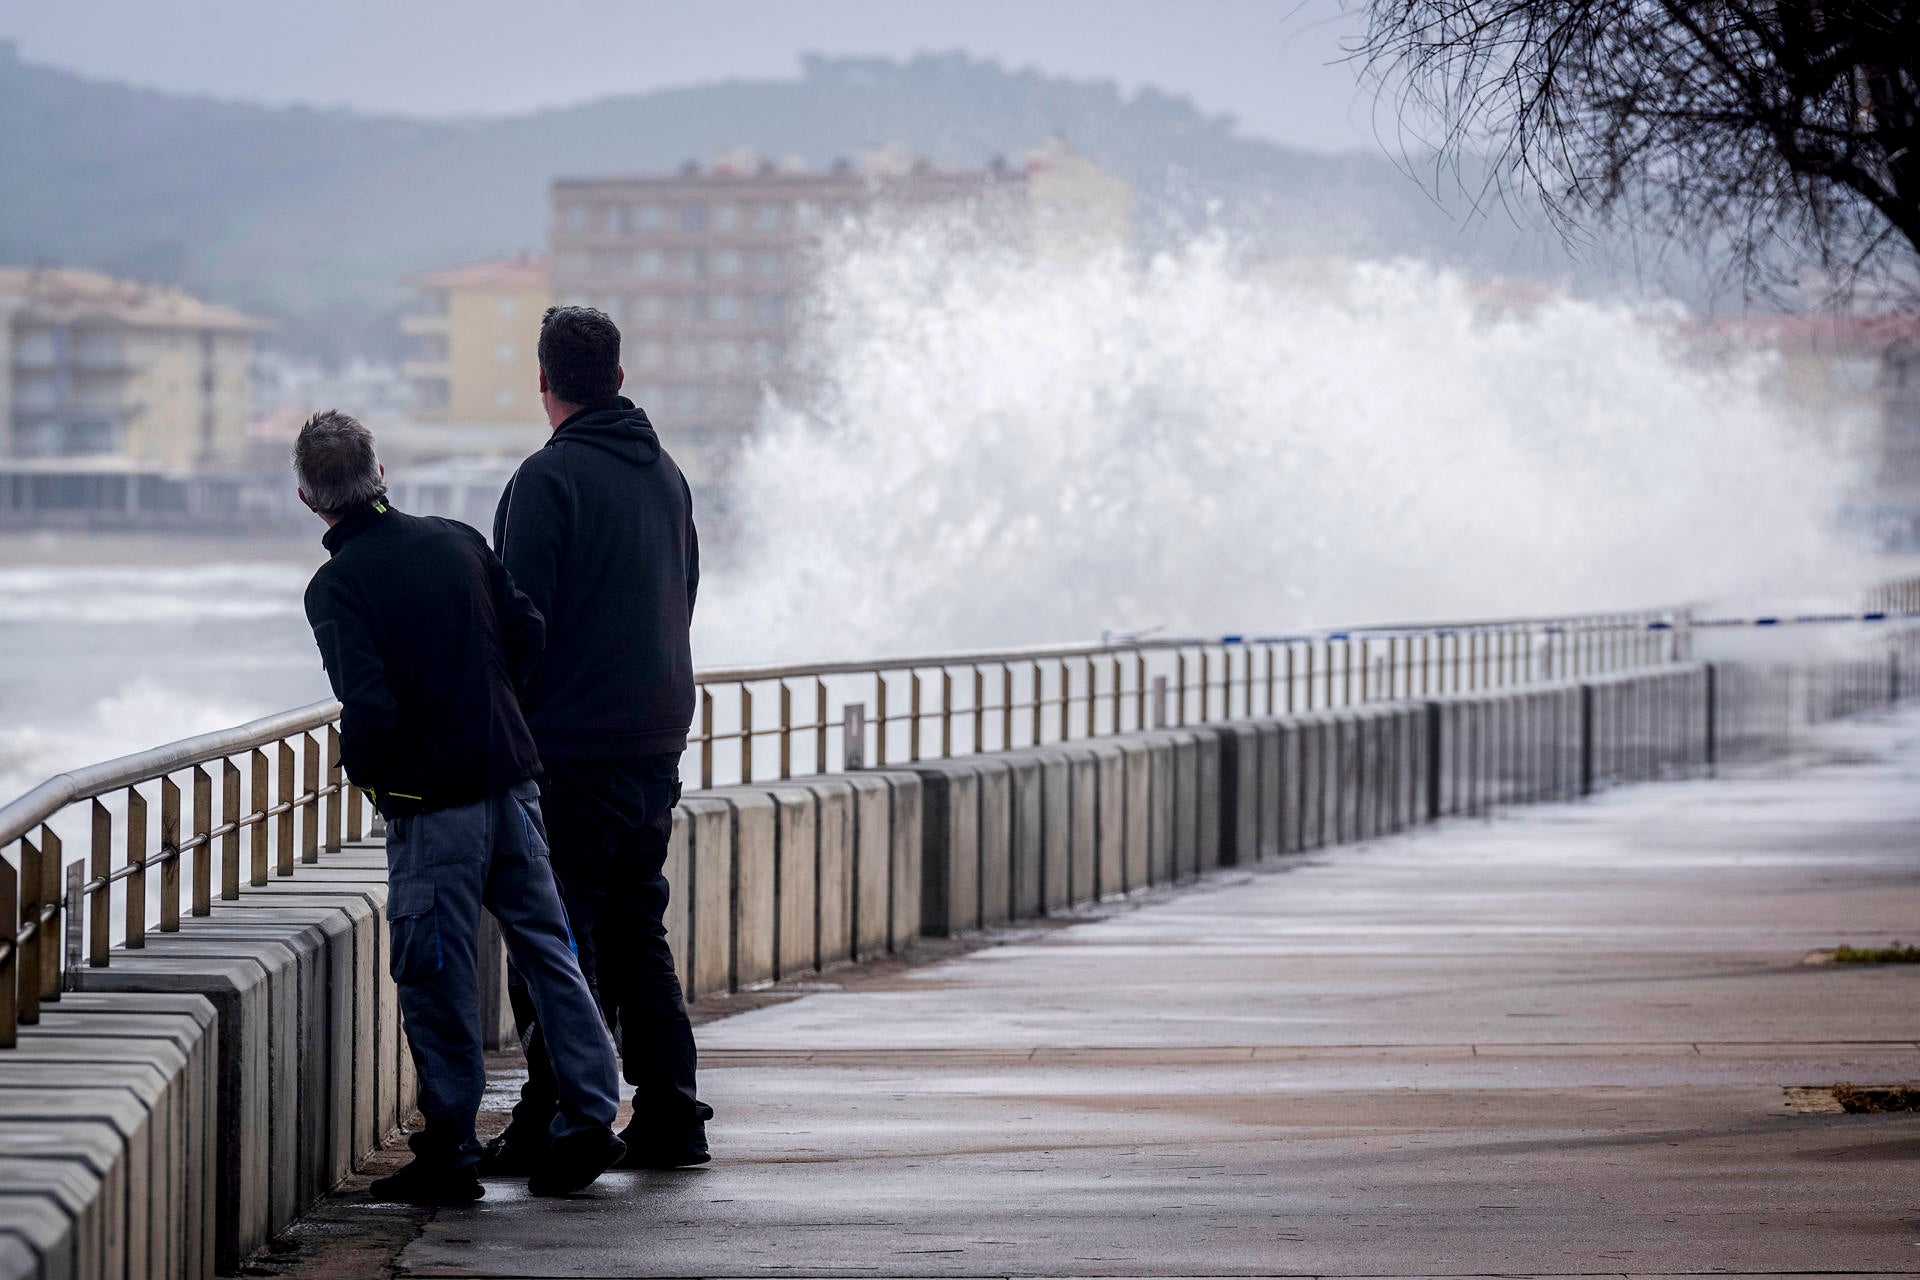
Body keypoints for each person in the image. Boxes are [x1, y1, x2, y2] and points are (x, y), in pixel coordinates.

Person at [295, 409, 625, 1203]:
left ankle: (450, 1149)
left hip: (430, 804)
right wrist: (495, 707)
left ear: (308, 499)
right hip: (510, 782)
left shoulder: (337, 585)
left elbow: (368, 705)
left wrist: (375, 780)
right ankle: (589, 1118)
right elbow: (529, 632)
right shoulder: (456, 539)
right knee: (550, 953)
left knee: (434, 970)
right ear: (380, 474)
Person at [481, 305, 711, 1173]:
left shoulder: (548, 480)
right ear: (617, 377)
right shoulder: (668, 476)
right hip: (656, 742)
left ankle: (554, 1118)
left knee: (555, 935)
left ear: (543, 382)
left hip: (571, 752)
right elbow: (686, 594)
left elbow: (520, 627)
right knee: (635, 931)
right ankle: (672, 1116)